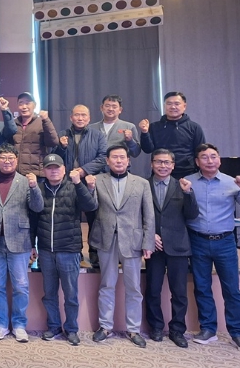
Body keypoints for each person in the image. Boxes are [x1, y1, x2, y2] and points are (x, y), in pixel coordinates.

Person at [90, 145, 155, 348]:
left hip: (132, 241)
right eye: (114, 157)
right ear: (107, 161)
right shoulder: (97, 180)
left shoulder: (142, 183)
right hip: (105, 239)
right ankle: (105, 326)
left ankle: (133, 329)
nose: (118, 161)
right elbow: (90, 206)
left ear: (128, 160)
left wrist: (148, 242)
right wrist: (89, 189)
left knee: (133, 287)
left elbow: (149, 215)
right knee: (106, 284)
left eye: (122, 157)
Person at [32, 154, 97, 346]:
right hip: (46, 250)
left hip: (69, 250)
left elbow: (90, 206)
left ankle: (71, 329)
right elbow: (33, 218)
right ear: (44, 170)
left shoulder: (74, 186)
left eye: (57, 167)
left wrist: (79, 184)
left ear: (64, 169)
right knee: (49, 293)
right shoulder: (39, 189)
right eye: (49, 167)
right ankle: (53, 326)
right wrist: (32, 245)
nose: (53, 171)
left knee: (71, 294)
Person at [185, 143, 240, 352]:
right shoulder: (188, 182)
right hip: (197, 241)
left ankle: (238, 332)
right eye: (204, 157)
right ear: (197, 161)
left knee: (232, 289)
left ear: (219, 159)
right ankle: (208, 329)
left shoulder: (232, 182)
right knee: (202, 287)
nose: (209, 161)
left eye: (213, 156)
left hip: (225, 242)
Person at [0, 144, 43, 343]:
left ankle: (19, 325)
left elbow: (37, 207)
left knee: (21, 286)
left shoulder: (26, 182)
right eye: (3, 157)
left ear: (16, 160)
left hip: (19, 240)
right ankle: (0, 324)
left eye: (10, 158)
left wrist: (34, 187)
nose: (6, 161)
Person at [144, 149, 198, 348]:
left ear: (173, 165)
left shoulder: (182, 185)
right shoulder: (143, 185)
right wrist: (149, 235)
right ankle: (156, 327)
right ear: (152, 164)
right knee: (153, 290)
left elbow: (192, 215)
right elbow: (137, 215)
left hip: (178, 246)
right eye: (159, 162)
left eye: (167, 162)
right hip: (154, 246)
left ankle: (177, 330)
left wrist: (188, 193)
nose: (163, 166)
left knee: (179, 292)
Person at [53, 104, 107, 268]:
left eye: (84, 115)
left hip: (89, 181)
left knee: (93, 218)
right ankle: (75, 251)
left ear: (89, 118)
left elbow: (103, 157)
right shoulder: (62, 135)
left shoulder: (98, 135)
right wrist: (61, 147)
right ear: (71, 117)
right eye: (77, 115)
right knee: (71, 218)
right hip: (67, 183)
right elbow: (54, 159)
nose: (80, 118)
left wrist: (84, 170)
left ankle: (94, 252)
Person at [139, 91, 206, 179]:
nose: (173, 107)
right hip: (161, 172)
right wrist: (144, 132)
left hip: (188, 173)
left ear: (184, 106)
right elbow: (147, 149)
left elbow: (201, 152)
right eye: (169, 104)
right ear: (164, 106)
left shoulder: (194, 127)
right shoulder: (154, 127)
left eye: (177, 104)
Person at [3, 92, 59, 177]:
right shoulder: (13, 124)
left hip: (36, 175)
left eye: (27, 103)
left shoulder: (42, 122)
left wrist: (46, 120)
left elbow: (53, 142)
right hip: (16, 175)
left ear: (34, 105)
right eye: (21, 103)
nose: (24, 106)